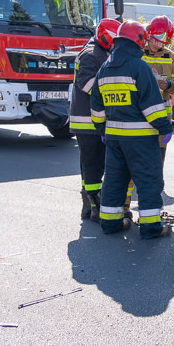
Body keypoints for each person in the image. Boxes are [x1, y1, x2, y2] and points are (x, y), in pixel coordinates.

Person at [91, 20, 173, 239]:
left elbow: (97, 109)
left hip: (114, 138)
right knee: (148, 180)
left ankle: (110, 222)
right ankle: (151, 227)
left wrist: (103, 131)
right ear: (139, 41)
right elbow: (152, 108)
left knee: (114, 180)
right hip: (141, 139)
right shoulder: (140, 67)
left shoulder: (105, 68)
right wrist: (165, 128)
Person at [69, 18, 119, 222]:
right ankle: (92, 205)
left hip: (95, 120)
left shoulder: (101, 51)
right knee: (91, 165)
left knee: (96, 165)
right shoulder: (91, 54)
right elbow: (88, 84)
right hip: (87, 121)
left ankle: (91, 207)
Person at [143, 15, 174, 165]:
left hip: (163, 110)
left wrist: (169, 85)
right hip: (142, 109)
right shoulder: (139, 52)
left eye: (161, 42)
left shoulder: (170, 56)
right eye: (155, 40)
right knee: (141, 149)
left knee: (159, 152)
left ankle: (156, 183)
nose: (157, 45)